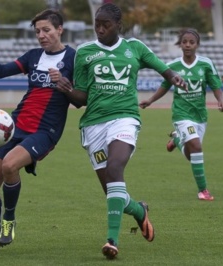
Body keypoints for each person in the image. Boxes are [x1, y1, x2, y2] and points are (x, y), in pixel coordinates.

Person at [55, 2, 188, 260]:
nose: (100, 29)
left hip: (125, 119)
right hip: (93, 124)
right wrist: (66, 89)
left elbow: (164, 69)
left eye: (106, 25)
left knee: (116, 168)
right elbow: (80, 99)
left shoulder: (134, 48)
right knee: (112, 192)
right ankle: (139, 211)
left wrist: (175, 77)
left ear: (119, 26)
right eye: (97, 25)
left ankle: (111, 240)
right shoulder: (85, 52)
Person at [0, 9, 79, 253]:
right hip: (15, 125)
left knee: (9, 166)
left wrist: (63, 85)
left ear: (60, 29)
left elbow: (80, 100)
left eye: (46, 30)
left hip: (45, 130)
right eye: (37, 32)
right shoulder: (33, 56)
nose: (41, 35)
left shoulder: (74, 58)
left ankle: (9, 220)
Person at [139, 28, 223, 201]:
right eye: (184, 42)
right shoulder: (173, 66)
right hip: (181, 114)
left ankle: (177, 140)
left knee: (191, 154)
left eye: (191, 42)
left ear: (197, 45)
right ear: (180, 44)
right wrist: (150, 100)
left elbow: (215, 85)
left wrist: (220, 100)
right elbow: (165, 86)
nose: (187, 45)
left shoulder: (206, 64)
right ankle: (203, 190)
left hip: (200, 115)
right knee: (196, 147)